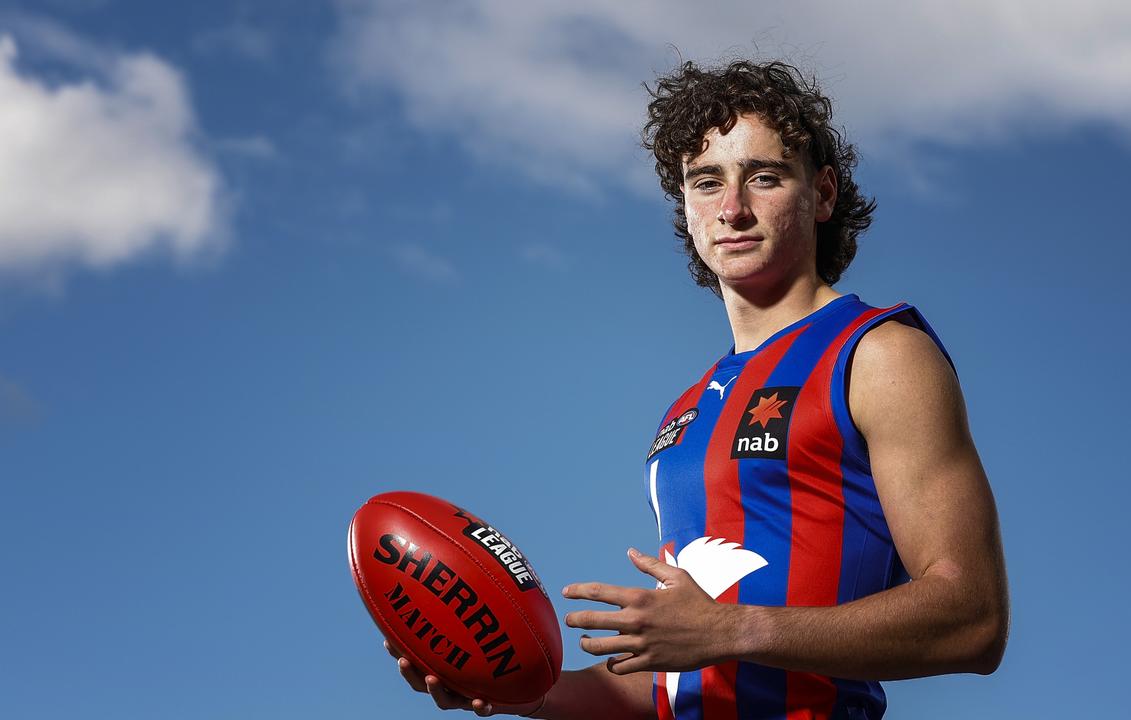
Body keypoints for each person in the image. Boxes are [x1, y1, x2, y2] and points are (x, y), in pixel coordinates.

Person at [385, 58, 1009, 719]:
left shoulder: (877, 353)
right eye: (707, 182)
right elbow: (682, 683)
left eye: (763, 178)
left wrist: (733, 629)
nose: (732, 208)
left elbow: (972, 616)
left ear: (822, 194)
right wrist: (517, 687)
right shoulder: (685, 412)